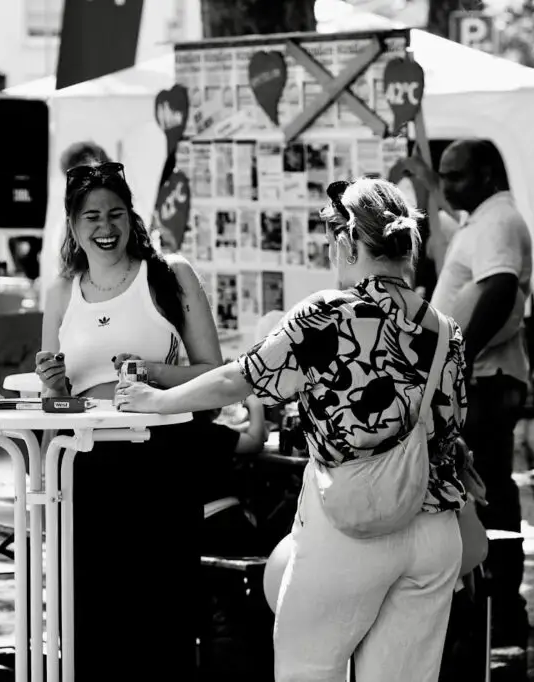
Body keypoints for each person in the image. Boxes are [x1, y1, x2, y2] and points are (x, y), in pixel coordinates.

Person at [118, 177, 468, 682]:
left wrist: (157, 399)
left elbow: (238, 379)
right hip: (435, 534)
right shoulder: (446, 330)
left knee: (307, 671)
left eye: (330, 241)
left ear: (348, 242)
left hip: (352, 523)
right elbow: (451, 425)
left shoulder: (328, 313)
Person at [32, 160, 222, 679]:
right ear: (73, 225)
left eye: (115, 213)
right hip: (84, 468)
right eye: (91, 216)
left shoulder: (169, 275)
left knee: (161, 615)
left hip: (160, 465)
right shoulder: (60, 292)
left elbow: (215, 374)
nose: (105, 227)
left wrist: (152, 374)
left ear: (131, 215)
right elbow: (54, 403)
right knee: (91, 617)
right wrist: (53, 387)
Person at [429, 138, 532, 645]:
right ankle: (497, 612)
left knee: (486, 492)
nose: (447, 185)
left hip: (484, 382)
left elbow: (501, 289)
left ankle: (502, 613)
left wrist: (459, 357)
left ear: (488, 174)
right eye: (443, 175)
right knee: (481, 490)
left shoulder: (497, 220)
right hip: (478, 379)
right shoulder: (482, 219)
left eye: (457, 175)